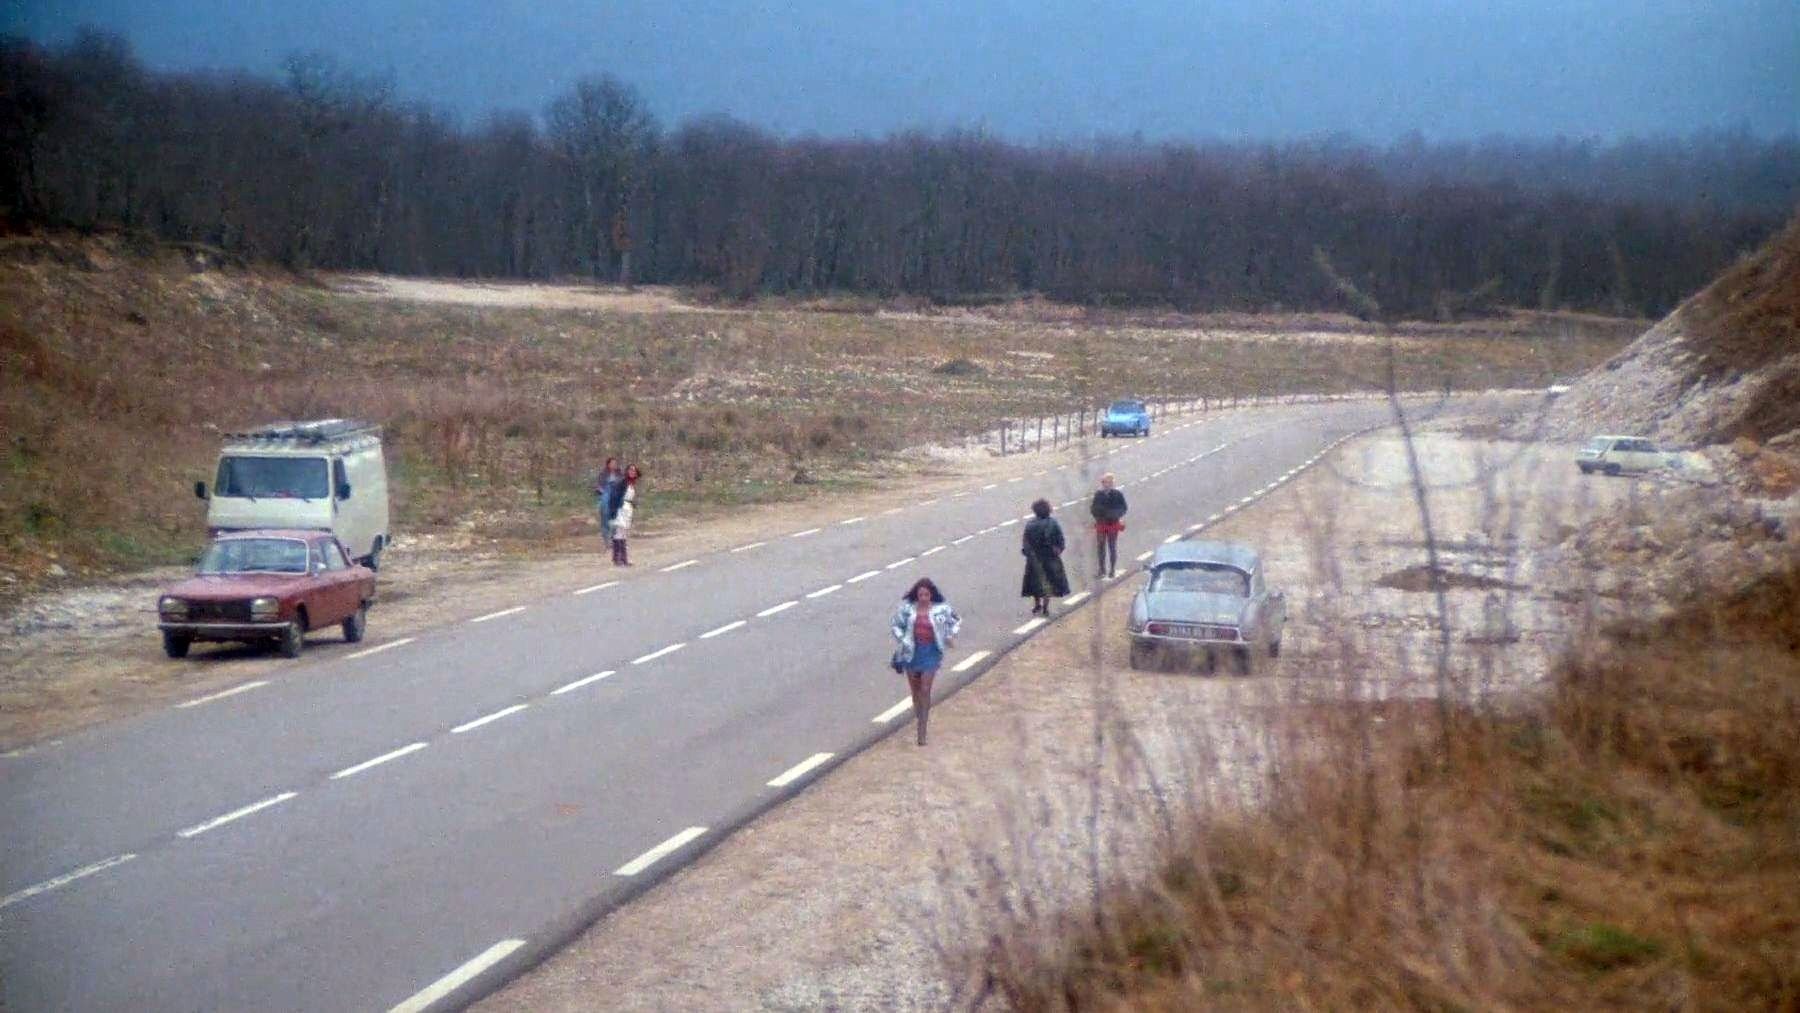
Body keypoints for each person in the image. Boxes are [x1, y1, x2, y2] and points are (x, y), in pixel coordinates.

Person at [890, 578, 960, 746]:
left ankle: (922, 730)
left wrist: (949, 635)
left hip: (931, 652)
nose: (923, 597)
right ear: (916, 595)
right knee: (915, 691)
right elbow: (895, 625)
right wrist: (903, 640)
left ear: (931, 595)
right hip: (911, 653)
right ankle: (919, 716)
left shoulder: (941, 609)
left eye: (926, 594)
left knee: (925, 688)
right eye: (920, 594)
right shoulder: (907, 609)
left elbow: (956, 621)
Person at [1020, 498, 1070, 616]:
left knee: (1034, 582)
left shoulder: (1030, 524)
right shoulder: (1053, 523)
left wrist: (1027, 553)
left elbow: (1025, 542)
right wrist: (1058, 550)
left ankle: (1037, 604)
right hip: (1050, 558)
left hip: (1034, 559)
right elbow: (1060, 540)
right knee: (1049, 582)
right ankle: (1045, 607)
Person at [1089, 472, 1128, 578]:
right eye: (1105, 482)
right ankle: (1102, 570)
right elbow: (1093, 508)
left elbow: (1123, 508)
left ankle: (1112, 569)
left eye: (1109, 482)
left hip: (1113, 524)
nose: (1107, 484)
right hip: (1101, 524)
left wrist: (1115, 515)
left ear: (1112, 483)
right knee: (1101, 547)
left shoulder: (1117, 494)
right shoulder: (1098, 494)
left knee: (1112, 546)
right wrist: (1098, 516)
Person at [610, 465, 640, 566]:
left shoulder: (631, 484)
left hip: (628, 508)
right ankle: (617, 557)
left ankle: (623, 558)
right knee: (619, 531)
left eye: (634, 471)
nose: (632, 472)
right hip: (621, 508)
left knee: (624, 533)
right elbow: (616, 496)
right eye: (630, 470)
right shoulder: (623, 482)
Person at [594, 457, 625, 545]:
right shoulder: (603, 474)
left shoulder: (619, 474)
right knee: (605, 514)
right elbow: (598, 486)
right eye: (612, 463)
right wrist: (601, 490)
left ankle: (614, 536)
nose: (614, 465)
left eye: (615, 463)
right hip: (606, 494)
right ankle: (606, 538)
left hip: (616, 495)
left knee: (616, 516)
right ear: (608, 464)